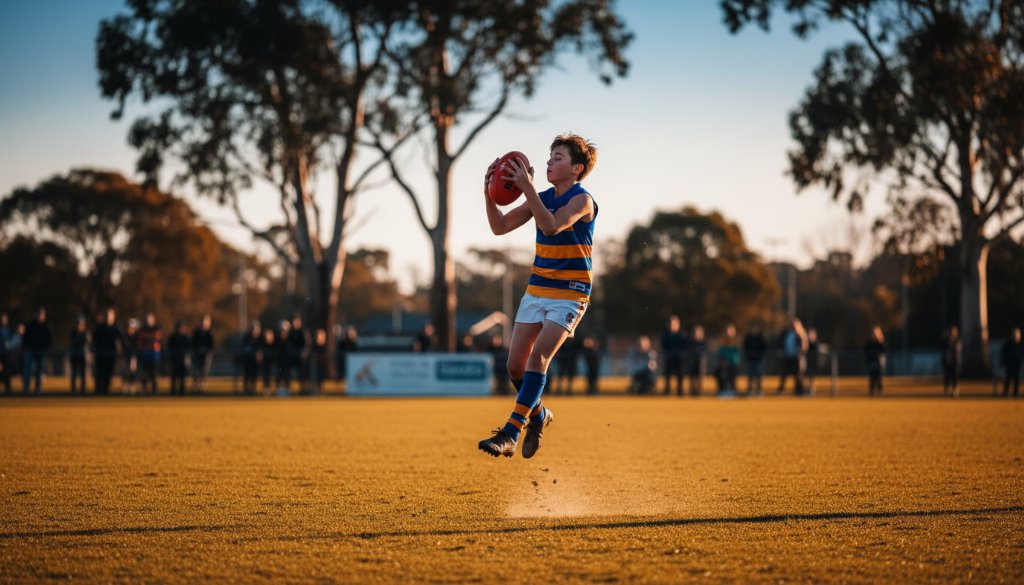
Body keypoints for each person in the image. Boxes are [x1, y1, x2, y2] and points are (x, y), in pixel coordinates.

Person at [476, 133, 598, 459]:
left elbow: (551, 226)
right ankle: (539, 415)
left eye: (557, 158)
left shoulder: (582, 201)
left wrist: (527, 188)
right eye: (549, 157)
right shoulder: (540, 195)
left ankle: (510, 433)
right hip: (538, 288)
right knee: (514, 365)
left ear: (576, 168)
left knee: (537, 358)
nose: (549, 162)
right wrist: (489, 192)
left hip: (570, 294)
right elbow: (499, 227)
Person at [22, 307, 52, 394]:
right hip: (30, 350)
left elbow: (49, 339)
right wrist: (26, 347)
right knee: (28, 370)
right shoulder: (30, 325)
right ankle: (26, 388)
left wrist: (47, 348)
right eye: (39, 314)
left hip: (41, 351)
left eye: (42, 315)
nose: (40, 316)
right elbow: (25, 337)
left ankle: (38, 389)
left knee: (40, 371)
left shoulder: (46, 326)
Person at [91, 309, 121, 395]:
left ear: (113, 317)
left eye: (110, 315)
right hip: (100, 355)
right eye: (107, 315)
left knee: (109, 374)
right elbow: (94, 340)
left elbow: (121, 341)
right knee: (99, 374)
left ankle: (106, 391)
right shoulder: (99, 328)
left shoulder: (116, 329)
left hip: (111, 355)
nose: (108, 317)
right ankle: (98, 391)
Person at [776, 319, 808, 396]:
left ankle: (799, 391)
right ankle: (781, 390)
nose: (793, 327)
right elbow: (780, 343)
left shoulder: (801, 334)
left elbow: (804, 347)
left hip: (797, 358)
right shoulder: (787, 334)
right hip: (787, 357)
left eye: (795, 325)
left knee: (798, 375)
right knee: (784, 374)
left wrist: (800, 351)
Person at [137, 313, 163, 394]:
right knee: (144, 375)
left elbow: (159, 340)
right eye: (147, 319)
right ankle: (143, 390)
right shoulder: (142, 330)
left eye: (150, 319)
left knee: (154, 375)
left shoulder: (157, 329)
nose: (149, 321)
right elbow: (140, 342)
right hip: (144, 356)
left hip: (154, 356)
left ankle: (154, 391)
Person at [661, 315, 686, 396]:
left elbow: (684, 346)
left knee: (680, 373)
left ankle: (680, 389)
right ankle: (667, 389)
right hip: (669, 356)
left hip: (679, 358)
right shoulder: (665, 334)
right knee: (667, 373)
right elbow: (663, 346)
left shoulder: (681, 334)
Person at [742, 322, 767, 397]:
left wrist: (760, 355)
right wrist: (749, 354)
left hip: (758, 360)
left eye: (755, 328)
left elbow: (764, 349)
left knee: (759, 375)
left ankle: (759, 390)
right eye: (753, 328)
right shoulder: (748, 338)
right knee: (750, 376)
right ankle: (749, 390)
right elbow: (745, 348)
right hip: (750, 359)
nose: (754, 329)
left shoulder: (760, 338)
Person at [715, 324, 740, 396]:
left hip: (733, 364)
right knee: (719, 374)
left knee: (733, 377)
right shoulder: (722, 341)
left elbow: (736, 355)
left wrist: (730, 361)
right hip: (724, 364)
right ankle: (722, 390)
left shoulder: (736, 342)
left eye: (730, 331)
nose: (728, 332)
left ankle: (733, 391)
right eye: (727, 331)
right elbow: (721, 352)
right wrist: (723, 361)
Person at [191, 314, 214, 392]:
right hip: (197, 354)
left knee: (204, 371)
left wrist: (205, 349)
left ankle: (203, 387)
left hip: (206, 355)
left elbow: (212, 344)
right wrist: (198, 349)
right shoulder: (196, 332)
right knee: (196, 370)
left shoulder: (210, 333)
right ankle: (196, 386)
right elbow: (193, 343)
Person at [167, 321, 191, 396]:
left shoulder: (186, 338)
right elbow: (169, 347)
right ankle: (173, 391)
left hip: (182, 359)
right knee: (174, 376)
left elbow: (189, 347)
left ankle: (182, 391)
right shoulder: (172, 337)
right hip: (174, 359)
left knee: (182, 377)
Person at [68, 316, 90, 394]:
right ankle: (73, 390)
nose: (79, 325)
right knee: (74, 374)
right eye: (78, 323)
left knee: (83, 374)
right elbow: (71, 342)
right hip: (74, 355)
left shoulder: (86, 333)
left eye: (81, 323)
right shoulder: (73, 333)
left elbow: (87, 343)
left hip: (83, 356)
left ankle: (83, 390)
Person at [287, 315, 309, 394]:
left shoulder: (303, 331)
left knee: (302, 374)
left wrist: (303, 353)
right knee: (289, 373)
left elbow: (306, 344)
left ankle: (302, 390)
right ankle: (289, 389)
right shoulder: (291, 332)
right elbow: (288, 343)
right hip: (292, 356)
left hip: (300, 357)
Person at [940, 326, 962, 397]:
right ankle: (946, 390)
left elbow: (958, 349)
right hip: (947, 361)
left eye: (954, 331)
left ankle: (955, 390)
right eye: (952, 331)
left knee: (955, 376)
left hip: (955, 361)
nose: (952, 332)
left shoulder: (957, 340)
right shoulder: (945, 340)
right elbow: (942, 349)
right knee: (947, 376)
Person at [864, 326, 886, 396]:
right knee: (872, 378)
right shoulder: (869, 343)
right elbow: (865, 350)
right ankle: (871, 391)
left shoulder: (880, 343)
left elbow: (884, 350)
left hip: (878, 363)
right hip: (871, 362)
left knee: (878, 377)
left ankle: (880, 391)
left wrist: (880, 340)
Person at [241, 321, 262, 396]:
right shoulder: (246, 337)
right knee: (247, 375)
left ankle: (253, 390)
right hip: (248, 360)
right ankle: (246, 390)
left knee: (254, 376)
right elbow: (243, 347)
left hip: (255, 362)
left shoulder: (260, 338)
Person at [687, 325, 708, 396]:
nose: (696, 335)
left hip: (700, 364)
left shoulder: (703, 344)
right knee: (692, 377)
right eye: (695, 333)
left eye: (698, 333)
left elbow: (704, 354)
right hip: (692, 364)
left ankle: (699, 390)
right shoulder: (690, 343)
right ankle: (692, 390)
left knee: (700, 377)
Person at [1001, 327, 1022, 398]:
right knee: (1008, 377)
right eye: (1014, 335)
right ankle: (1006, 392)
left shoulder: (1021, 344)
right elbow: (1004, 354)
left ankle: (1015, 393)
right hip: (1009, 364)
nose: (1015, 336)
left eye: (1017, 335)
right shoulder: (1008, 344)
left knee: (1016, 378)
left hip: (1018, 365)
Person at [121, 318, 140, 394]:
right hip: (125, 355)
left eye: (132, 328)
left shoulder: (136, 336)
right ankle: (125, 387)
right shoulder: (124, 336)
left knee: (132, 371)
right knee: (125, 371)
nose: (131, 329)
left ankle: (132, 387)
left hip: (133, 356)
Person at [258, 327, 277, 395]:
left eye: (269, 334)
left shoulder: (276, 343)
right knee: (266, 375)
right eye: (266, 335)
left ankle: (277, 390)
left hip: (275, 365)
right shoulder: (261, 344)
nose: (268, 337)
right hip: (266, 365)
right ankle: (267, 389)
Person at [310, 328, 328, 394]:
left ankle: (321, 389)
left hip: (322, 365)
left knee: (322, 377)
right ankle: (315, 390)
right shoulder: (314, 345)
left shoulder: (326, 345)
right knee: (316, 377)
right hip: (315, 366)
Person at [805, 328, 821, 395]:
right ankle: (808, 388)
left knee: (812, 376)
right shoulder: (806, 342)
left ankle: (811, 388)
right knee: (807, 376)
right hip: (808, 362)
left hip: (813, 362)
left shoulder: (816, 342)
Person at [0, 312, 11, 394]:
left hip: (6, 353)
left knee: (6, 371)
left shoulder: (9, 329)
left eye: (5, 319)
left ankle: (8, 388)